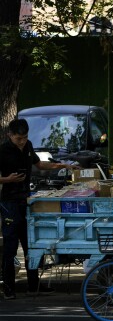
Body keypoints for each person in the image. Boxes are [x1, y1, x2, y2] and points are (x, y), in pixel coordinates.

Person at [1, 119, 79, 299]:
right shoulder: (3, 150)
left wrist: (63, 165)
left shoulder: (28, 146)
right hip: (9, 203)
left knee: (31, 244)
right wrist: (7, 180)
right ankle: (9, 288)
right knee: (11, 247)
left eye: (25, 137)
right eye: (18, 138)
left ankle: (34, 285)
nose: (22, 141)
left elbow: (40, 165)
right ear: (10, 135)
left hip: (26, 200)